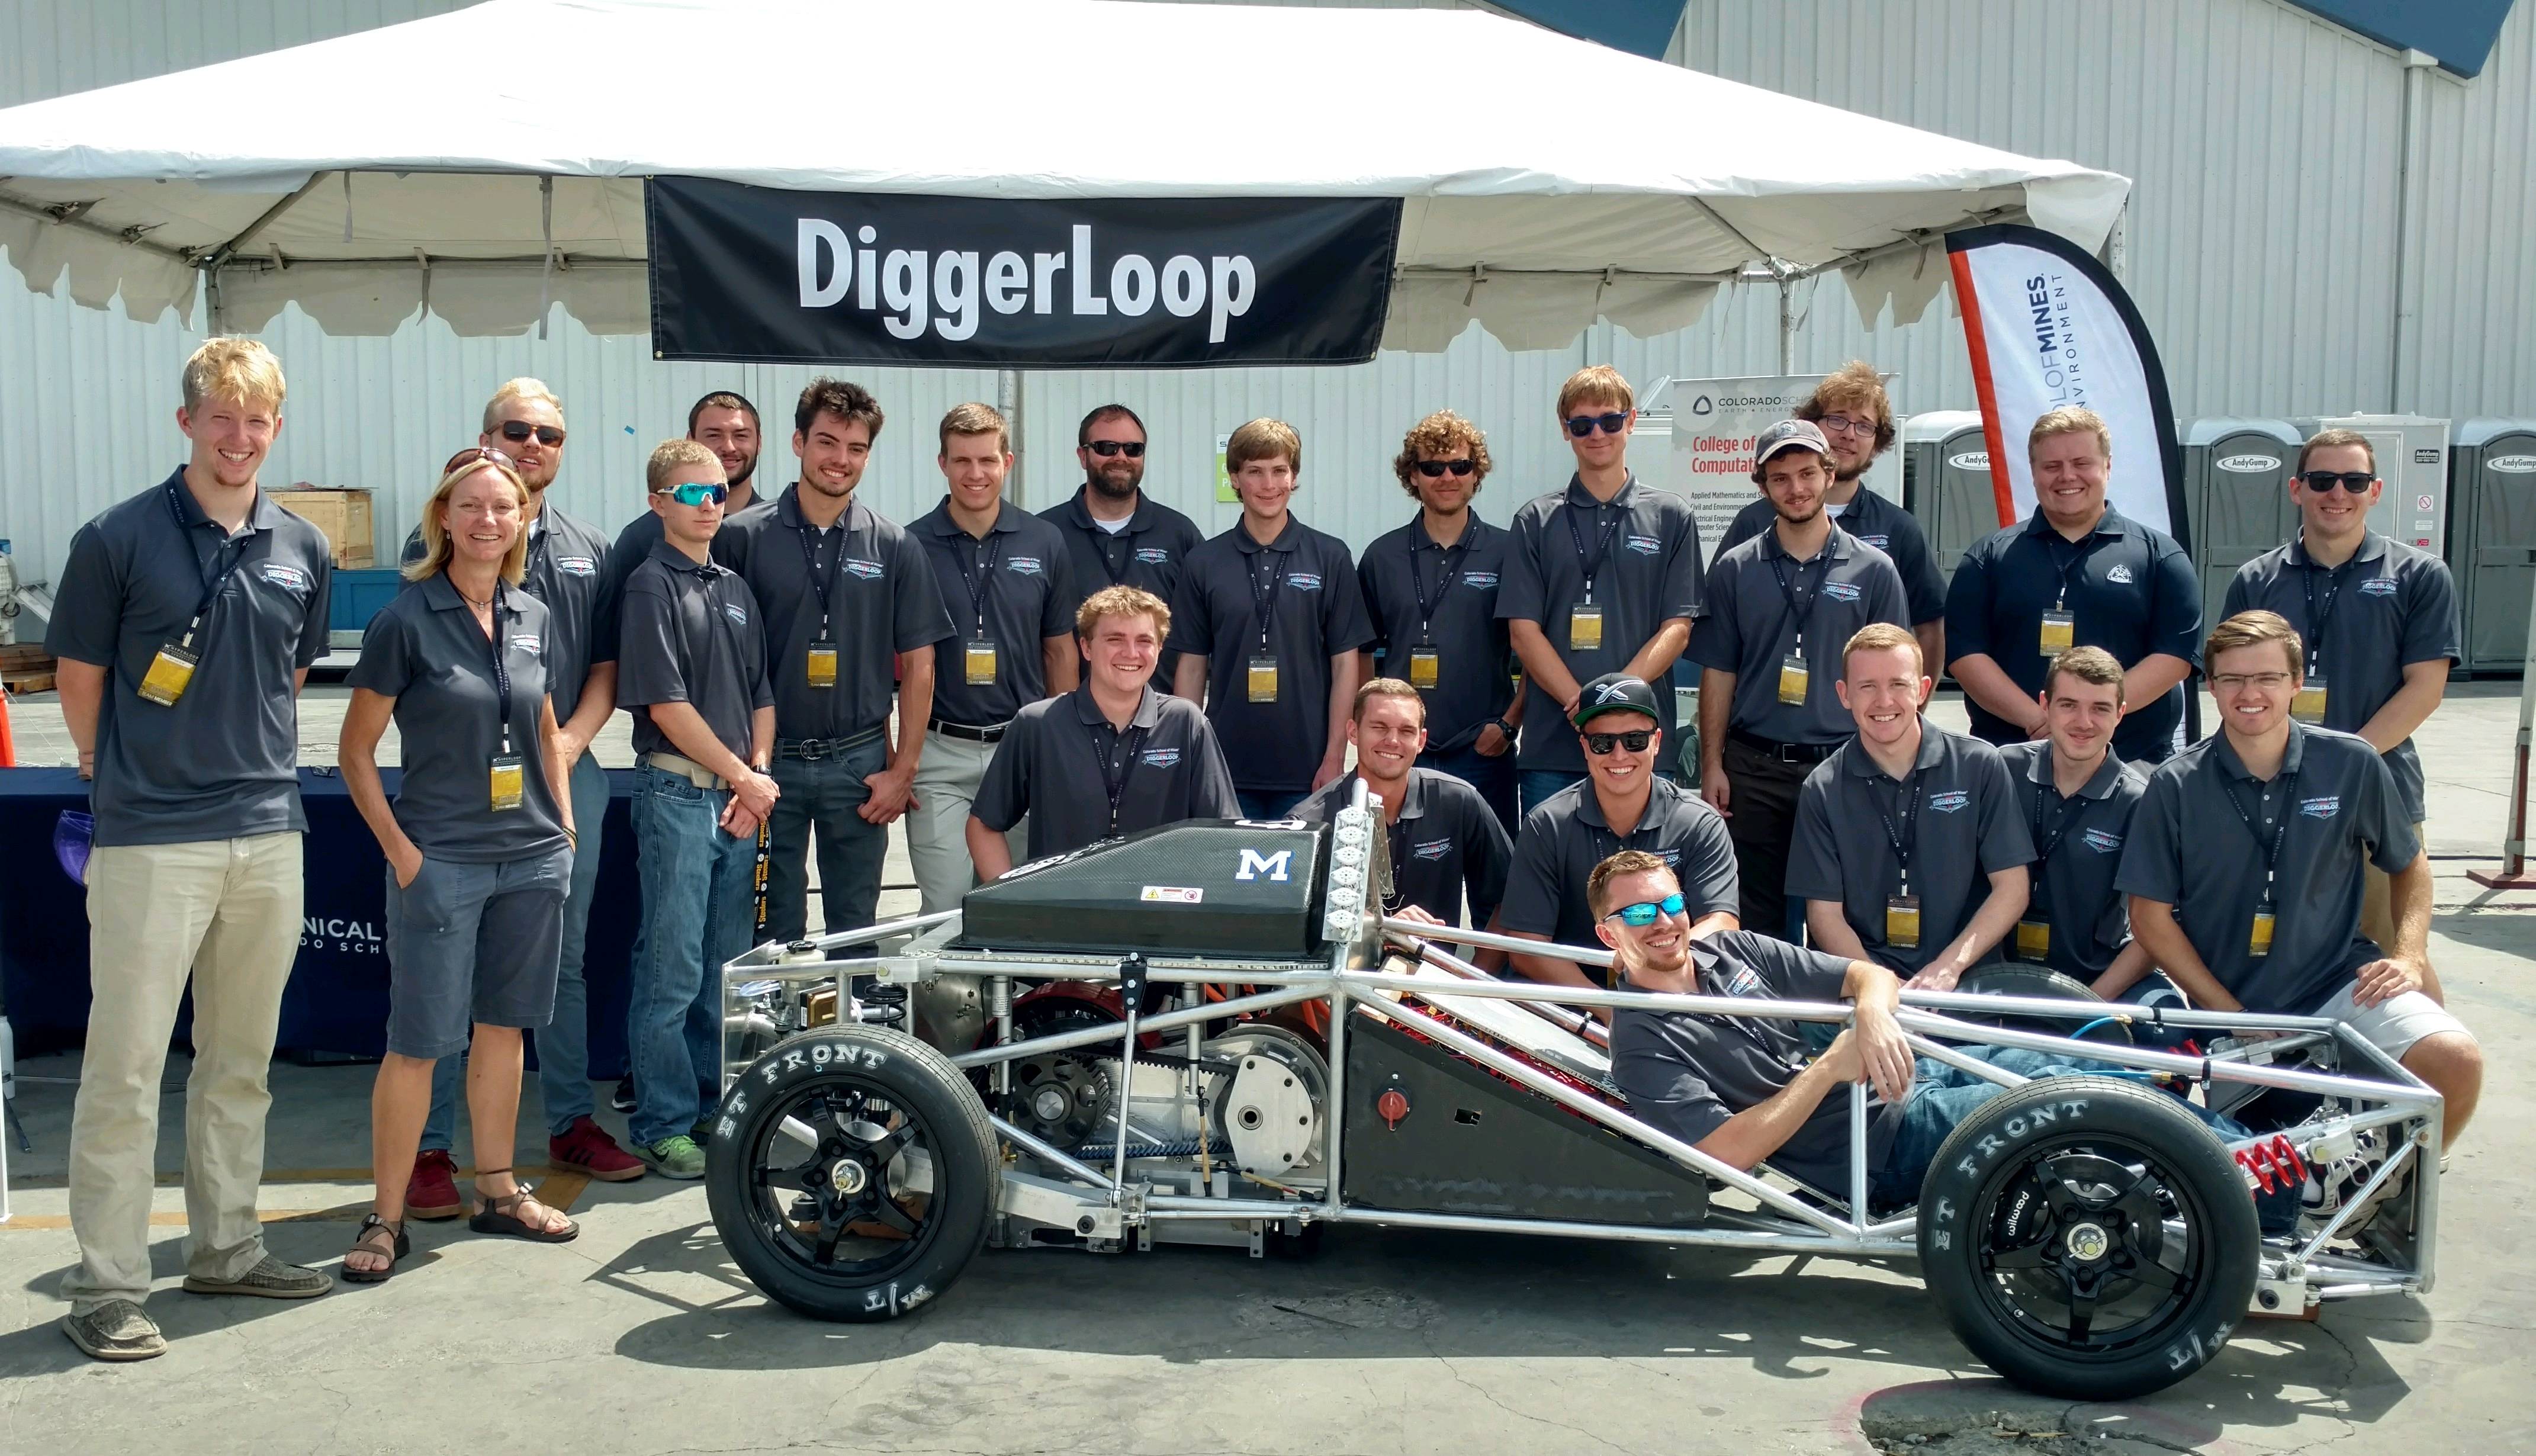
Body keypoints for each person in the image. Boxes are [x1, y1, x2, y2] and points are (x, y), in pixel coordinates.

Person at [46, 338, 336, 1360]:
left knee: (239, 1062)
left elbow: (288, 677)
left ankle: (226, 1245)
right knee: (124, 1069)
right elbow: (79, 670)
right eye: (222, 416)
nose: (240, 436)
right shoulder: (115, 537)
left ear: (277, 427)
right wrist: (103, 762)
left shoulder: (302, 545)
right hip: (151, 838)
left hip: (266, 832)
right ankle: (109, 1282)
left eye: (258, 420)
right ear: (187, 422)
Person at [1598, 851, 2294, 1227]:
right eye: (1638, 911)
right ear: (1609, 932)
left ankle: (2269, 1153)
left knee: (2089, 1061)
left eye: (1669, 902)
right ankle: (2288, 1186)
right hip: (1882, 1140)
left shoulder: (1730, 952)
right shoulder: (1641, 1036)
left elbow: (1867, 975)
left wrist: (1870, 1016)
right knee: (2077, 1103)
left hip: (1915, 1070)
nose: (1662, 921)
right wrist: (1829, 1070)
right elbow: (1723, 1155)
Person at [396, 378, 641, 1221]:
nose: (533, 443)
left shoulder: (590, 548)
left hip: (564, 777)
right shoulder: (445, 535)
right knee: (445, 974)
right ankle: (431, 1147)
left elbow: (607, 665)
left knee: (557, 962)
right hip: (453, 789)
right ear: (486, 434)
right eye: (516, 429)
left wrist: (567, 745)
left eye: (549, 434)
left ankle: (569, 1118)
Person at [340, 448, 581, 1280]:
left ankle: (497, 1188)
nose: (486, 520)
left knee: (504, 1027)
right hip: (441, 860)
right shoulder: (407, 619)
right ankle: (386, 1215)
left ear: (522, 521)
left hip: (530, 858)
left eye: (502, 508)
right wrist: (405, 854)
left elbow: (547, 725)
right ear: (444, 516)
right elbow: (356, 752)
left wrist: (565, 827)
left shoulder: (534, 615)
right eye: (470, 506)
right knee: (417, 1042)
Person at [2117, 611, 2482, 1143]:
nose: (2251, 693)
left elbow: (2408, 864)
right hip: (2236, 1010)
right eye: (2234, 678)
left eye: (2266, 677)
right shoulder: (2174, 785)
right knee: (2263, 1180)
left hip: (2341, 985)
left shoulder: (2349, 762)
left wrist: (2407, 954)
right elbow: (2148, 916)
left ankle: (2388, 1199)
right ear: (2210, 685)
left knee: (2455, 1059)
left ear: (2294, 684)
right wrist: (2229, 1014)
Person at [718, 380, 950, 940]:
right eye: (826, 442)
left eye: (856, 448)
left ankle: (851, 1028)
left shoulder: (893, 544)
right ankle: (777, 1031)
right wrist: (741, 768)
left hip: (858, 762)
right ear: (798, 443)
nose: (839, 460)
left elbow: (920, 664)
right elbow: (721, 662)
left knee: (855, 925)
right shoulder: (740, 538)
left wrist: (903, 770)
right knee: (774, 929)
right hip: (771, 765)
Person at [2222, 428, 2458, 953]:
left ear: (2374, 492)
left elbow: (2424, 689)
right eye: (2322, 479)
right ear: (2295, 488)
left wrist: (2341, 765)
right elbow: (2234, 686)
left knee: (2390, 954)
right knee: (2272, 943)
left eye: (2354, 481)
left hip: (2376, 792)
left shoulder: (2419, 576)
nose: (2337, 493)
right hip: (2268, 792)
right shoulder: (2255, 580)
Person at [616, 439, 777, 1179]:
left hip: (736, 803)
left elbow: (762, 696)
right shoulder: (650, 586)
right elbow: (665, 705)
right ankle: (663, 1122)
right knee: (670, 970)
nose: (708, 504)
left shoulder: (736, 589)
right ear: (657, 503)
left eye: (715, 492)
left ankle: (718, 1108)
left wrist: (756, 781)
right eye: (690, 494)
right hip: (678, 795)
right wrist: (743, 777)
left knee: (723, 972)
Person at [1691, 419, 1910, 940]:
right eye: (1780, 477)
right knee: (1757, 920)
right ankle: (1767, 1022)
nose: (1796, 488)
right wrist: (1712, 765)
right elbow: (1718, 673)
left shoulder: (1873, 570)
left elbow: (1896, 678)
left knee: (1850, 912)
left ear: (1829, 473)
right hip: (1755, 769)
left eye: (1807, 473)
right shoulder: (1735, 569)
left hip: (1845, 766)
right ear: (1762, 486)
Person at [1500, 365, 1704, 814]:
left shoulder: (1671, 516)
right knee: (1553, 879)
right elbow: (1523, 632)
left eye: (1610, 421)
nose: (1597, 433)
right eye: (1582, 424)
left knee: (1642, 878)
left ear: (1631, 422)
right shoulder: (1535, 520)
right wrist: (1583, 704)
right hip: (1554, 746)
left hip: (1639, 744)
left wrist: (1615, 700)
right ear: (1565, 430)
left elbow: (1678, 628)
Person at [1944, 407, 2200, 764]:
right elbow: (1966, 656)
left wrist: (2094, 718)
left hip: (2132, 761)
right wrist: (2039, 720)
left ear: (2107, 467)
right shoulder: (1988, 558)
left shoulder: (2160, 557)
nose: (2067, 476)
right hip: (2014, 759)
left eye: (2082, 463)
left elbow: (2174, 657)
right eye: (2052, 466)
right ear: (2033, 472)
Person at [1788, 624, 2033, 989]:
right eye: (1867, 686)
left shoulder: (1979, 765)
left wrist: (1948, 968)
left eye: (1898, 685)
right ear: (1844, 695)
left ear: (1922, 690)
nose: (1884, 701)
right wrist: (1880, 985)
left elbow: (2013, 888)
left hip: (1968, 982)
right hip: (1864, 983)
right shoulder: (1822, 788)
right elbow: (1824, 916)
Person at [906, 403, 1079, 912]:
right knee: (944, 906)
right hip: (941, 751)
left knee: (1021, 904)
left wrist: (1064, 742)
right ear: (942, 463)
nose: (975, 474)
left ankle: (1020, 995)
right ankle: (946, 994)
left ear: (1008, 461)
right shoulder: (912, 544)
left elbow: (1059, 649)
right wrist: (903, 759)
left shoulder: (1044, 541)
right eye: (962, 461)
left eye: (987, 460)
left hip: (1020, 746)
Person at [1168, 418, 1374, 819]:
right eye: (1254, 471)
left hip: (1308, 772)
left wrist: (1335, 755)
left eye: (1279, 470)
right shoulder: (1204, 562)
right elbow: (1191, 666)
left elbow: (1345, 662)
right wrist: (1187, 754)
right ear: (1234, 478)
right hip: (1223, 768)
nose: (1268, 484)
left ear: (1294, 476)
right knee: (1229, 880)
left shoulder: (1329, 556)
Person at [968, 585, 1239, 876]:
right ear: (1086, 647)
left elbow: (1224, 835)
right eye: (1115, 639)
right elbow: (984, 826)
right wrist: (1011, 903)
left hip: (1159, 910)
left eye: (1145, 640)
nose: (1131, 653)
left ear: (1160, 648)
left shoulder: (1186, 724)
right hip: (1064, 910)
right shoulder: (1039, 724)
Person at [1498, 673, 1738, 997]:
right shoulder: (1547, 825)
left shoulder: (1700, 823)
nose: (1620, 755)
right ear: (1585, 747)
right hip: (1572, 1002)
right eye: (1603, 743)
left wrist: (1647, 958)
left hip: (1672, 999)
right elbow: (1527, 947)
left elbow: (1722, 922)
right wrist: (1610, 1010)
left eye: (1635, 740)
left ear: (1657, 742)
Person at [1714, 363, 1947, 672]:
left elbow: (1929, 632)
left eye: (1864, 426)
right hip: (1759, 716)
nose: (1849, 434)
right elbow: (1721, 644)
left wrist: (1910, 714)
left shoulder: (1899, 529)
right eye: (1838, 419)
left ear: (1877, 443)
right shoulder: (1751, 523)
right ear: (1812, 425)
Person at [1356, 410, 1521, 834]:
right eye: (1432, 467)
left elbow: (1535, 646)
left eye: (1460, 466)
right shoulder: (1382, 556)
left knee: (1496, 885)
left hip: (1483, 747)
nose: (1447, 477)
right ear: (1413, 476)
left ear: (1475, 474)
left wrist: (1507, 726)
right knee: (1398, 875)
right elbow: (1361, 650)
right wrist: (1368, 726)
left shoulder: (1508, 552)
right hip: (1402, 749)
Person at [1294, 679, 1512, 940]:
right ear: (1353, 732)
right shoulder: (1309, 822)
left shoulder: (1458, 801)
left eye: (1407, 731)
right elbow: (1295, 922)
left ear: (1421, 741)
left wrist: (1472, 975)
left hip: (1434, 975)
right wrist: (1382, 927)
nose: (1393, 741)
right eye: (1379, 727)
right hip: (1343, 975)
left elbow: (1511, 899)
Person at [1994, 648, 2155, 995]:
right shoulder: (2000, 771)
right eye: (2068, 705)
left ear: (2121, 714)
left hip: (2096, 979)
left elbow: (2158, 929)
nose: (2084, 722)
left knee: (2165, 1040)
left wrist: (2093, 1006)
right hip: (1997, 976)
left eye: (2100, 708)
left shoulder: (2139, 801)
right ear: (2045, 705)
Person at [1040, 404, 1204, 693]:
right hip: (1072, 721)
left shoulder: (1179, 535)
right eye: (1106, 447)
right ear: (1083, 455)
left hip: (1159, 722)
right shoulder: (1046, 535)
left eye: (1133, 449)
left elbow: (1198, 640)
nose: (1121, 458)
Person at [602, 390, 760, 608]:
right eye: (714, 435)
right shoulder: (640, 539)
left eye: (741, 435)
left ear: (759, 443)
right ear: (690, 441)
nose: (729, 447)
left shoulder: (774, 534)